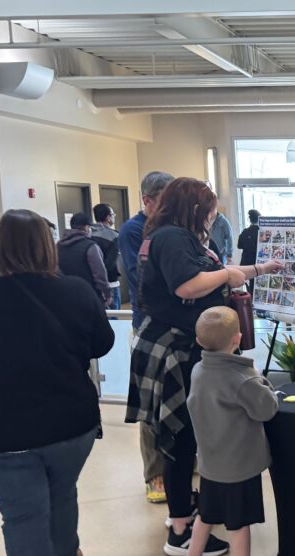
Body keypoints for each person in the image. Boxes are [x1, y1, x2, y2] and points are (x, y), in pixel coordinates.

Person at [125, 177, 283, 556]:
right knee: (180, 438)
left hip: (181, 344)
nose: (213, 216)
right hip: (174, 348)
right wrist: (229, 276)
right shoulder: (172, 238)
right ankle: (180, 527)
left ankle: (184, 515)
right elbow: (188, 286)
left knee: (187, 436)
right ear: (194, 208)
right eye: (209, 209)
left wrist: (259, 269)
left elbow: (208, 273)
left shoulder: (173, 235)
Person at [0, 209, 114, 556]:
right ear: (47, 246)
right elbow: (102, 343)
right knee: (62, 491)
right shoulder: (74, 290)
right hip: (70, 423)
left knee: (22, 516)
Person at [176, 307, 278, 556]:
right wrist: (259, 378)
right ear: (238, 338)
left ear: (199, 342)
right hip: (239, 467)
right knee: (239, 525)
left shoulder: (199, 370)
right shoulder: (241, 378)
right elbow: (266, 409)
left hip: (211, 463)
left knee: (206, 515)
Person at [119, 170, 174, 504]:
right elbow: (143, 278)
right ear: (148, 200)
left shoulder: (173, 228)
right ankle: (154, 473)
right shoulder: (133, 230)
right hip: (150, 326)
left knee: (178, 396)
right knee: (151, 401)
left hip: (180, 326)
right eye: (164, 202)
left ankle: (182, 460)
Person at [58, 212, 112, 308]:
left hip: (64, 295)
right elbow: (100, 274)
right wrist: (107, 295)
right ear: (87, 228)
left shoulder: (58, 246)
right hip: (89, 295)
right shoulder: (91, 246)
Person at [91, 203, 122, 309]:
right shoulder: (114, 236)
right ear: (108, 217)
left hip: (92, 284)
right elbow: (110, 264)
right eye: (113, 214)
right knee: (114, 319)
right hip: (110, 284)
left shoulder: (88, 234)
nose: (114, 217)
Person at [237, 209, 261, 292]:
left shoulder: (245, 232)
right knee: (256, 282)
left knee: (250, 283)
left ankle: (250, 299)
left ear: (249, 219)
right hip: (257, 261)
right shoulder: (261, 232)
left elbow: (239, 246)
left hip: (246, 262)